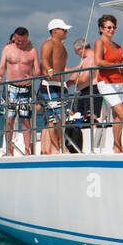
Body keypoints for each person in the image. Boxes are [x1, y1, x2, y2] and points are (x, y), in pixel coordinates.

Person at [0, 27, 41, 155]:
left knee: (25, 120)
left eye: (22, 41)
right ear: (14, 38)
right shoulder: (8, 49)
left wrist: (33, 77)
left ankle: (27, 150)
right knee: (9, 119)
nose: (19, 43)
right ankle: (9, 149)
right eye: (17, 40)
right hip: (10, 88)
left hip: (26, 88)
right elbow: (1, 66)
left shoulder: (32, 51)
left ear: (27, 39)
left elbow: (38, 70)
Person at [92, 15, 123, 152]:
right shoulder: (100, 42)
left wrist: (122, 63)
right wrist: (117, 64)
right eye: (108, 27)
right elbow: (98, 61)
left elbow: (117, 62)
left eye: (113, 27)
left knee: (117, 116)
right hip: (107, 82)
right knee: (122, 113)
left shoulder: (117, 46)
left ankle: (117, 145)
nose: (111, 30)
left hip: (119, 81)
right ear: (101, 29)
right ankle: (117, 145)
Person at [38, 18, 72, 155]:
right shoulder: (48, 44)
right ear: (55, 31)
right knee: (53, 118)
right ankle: (56, 147)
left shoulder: (63, 47)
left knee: (61, 118)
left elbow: (63, 67)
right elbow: (45, 60)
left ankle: (59, 145)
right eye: (63, 29)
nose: (66, 32)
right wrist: (49, 70)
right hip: (49, 85)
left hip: (61, 85)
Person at [67, 37, 95, 150]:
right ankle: (75, 145)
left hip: (90, 90)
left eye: (76, 52)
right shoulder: (86, 59)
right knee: (76, 117)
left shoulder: (90, 59)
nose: (77, 54)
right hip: (84, 92)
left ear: (80, 49)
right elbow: (76, 72)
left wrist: (72, 81)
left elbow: (84, 78)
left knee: (87, 119)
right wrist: (69, 80)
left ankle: (85, 146)